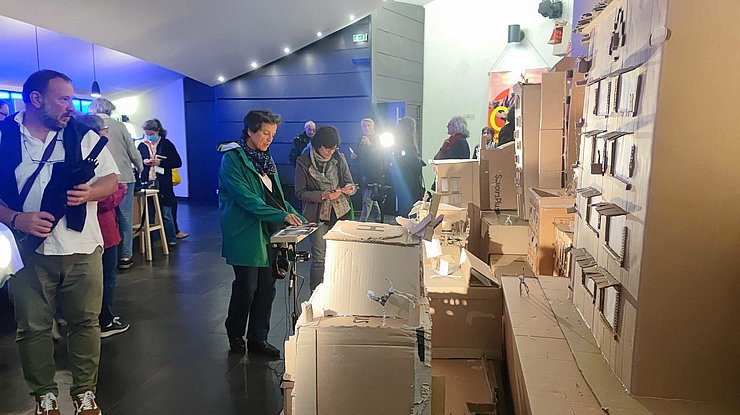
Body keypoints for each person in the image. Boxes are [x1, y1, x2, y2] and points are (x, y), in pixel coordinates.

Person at [0, 70, 118, 414]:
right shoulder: (4, 136)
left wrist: (90, 193)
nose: (71, 106)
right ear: (36, 99)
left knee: (86, 322)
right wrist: (15, 218)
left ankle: (85, 392)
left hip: (83, 246)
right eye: (63, 99)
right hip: (27, 250)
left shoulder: (83, 134)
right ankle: (44, 395)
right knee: (32, 327)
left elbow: (111, 179)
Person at [218, 109, 303, 358]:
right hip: (245, 231)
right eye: (265, 133)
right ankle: (235, 333)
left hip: (269, 231)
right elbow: (247, 199)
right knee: (246, 287)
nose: (269, 139)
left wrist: (294, 215)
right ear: (250, 131)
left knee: (267, 287)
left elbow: (275, 197)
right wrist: (281, 215)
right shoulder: (232, 159)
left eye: (273, 134)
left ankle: (258, 337)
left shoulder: (265, 158)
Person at [75, 115, 131, 339]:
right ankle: (104, 320)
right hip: (102, 230)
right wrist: (119, 190)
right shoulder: (91, 156)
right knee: (106, 277)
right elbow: (105, 199)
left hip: (91, 230)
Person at [295, 126, 356, 291]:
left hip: (341, 212)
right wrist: (323, 195)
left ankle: (339, 291)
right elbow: (300, 192)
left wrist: (350, 189)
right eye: (327, 148)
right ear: (317, 145)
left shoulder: (339, 157)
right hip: (317, 216)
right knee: (319, 259)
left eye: (333, 148)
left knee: (341, 256)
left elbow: (350, 182)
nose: (330, 152)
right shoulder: (304, 161)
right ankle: (316, 294)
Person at [87, 98, 143, 270]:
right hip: (123, 176)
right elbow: (132, 151)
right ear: (110, 110)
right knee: (125, 217)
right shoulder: (120, 126)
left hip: (99, 179)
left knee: (101, 216)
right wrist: (140, 168)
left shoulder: (86, 126)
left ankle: (103, 252)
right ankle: (126, 255)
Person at [137, 119, 182, 247]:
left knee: (166, 213)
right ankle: (150, 240)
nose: (149, 136)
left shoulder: (166, 144)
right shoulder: (141, 146)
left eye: (151, 134)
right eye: (147, 134)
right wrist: (144, 162)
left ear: (158, 131)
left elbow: (177, 162)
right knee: (149, 213)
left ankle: (171, 239)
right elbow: (137, 161)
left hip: (163, 183)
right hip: (147, 182)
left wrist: (161, 162)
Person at [390, 117, 425, 217]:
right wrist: (418, 163)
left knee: (404, 203)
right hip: (409, 179)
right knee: (411, 206)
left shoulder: (398, 142)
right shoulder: (408, 141)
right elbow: (411, 160)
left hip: (401, 178)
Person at [351, 118, 383, 222]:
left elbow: (379, 156)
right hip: (363, 173)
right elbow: (360, 155)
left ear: (373, 127)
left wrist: (370, 145)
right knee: (371, 199)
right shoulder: (360, 139)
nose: (367, 128)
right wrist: (354, 156)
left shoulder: (377, 139)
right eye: (364, 126)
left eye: (369, 126)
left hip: (374, 174)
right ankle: (378, 219)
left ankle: (361, 222)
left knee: (367, 200)